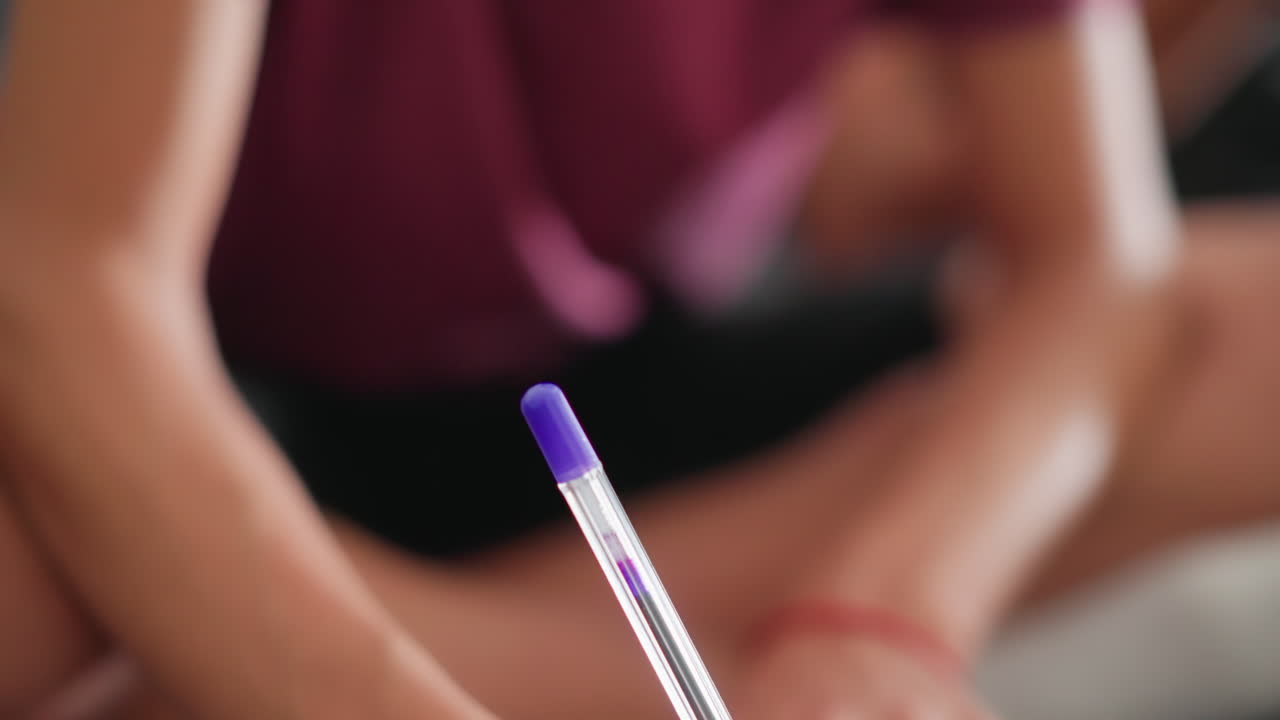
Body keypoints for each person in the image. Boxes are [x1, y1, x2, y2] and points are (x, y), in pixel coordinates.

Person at [2, 0, 1272, 717]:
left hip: (609, 391)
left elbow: (1095, 265)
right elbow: (76, 289)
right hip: (209, 389)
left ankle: (212, 641)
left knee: (1246, 337)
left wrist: (882, 616)